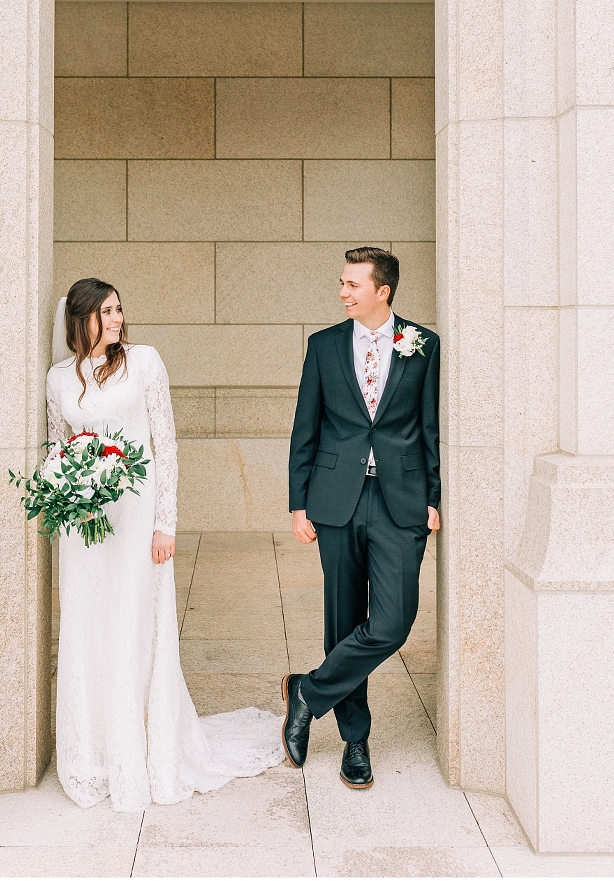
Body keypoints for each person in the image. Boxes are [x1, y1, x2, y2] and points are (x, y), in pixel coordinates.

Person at [46, 277, 283, 811]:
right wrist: (64, 492)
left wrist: (165, 524)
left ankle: (146, 752)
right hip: (83, 528)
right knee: (88, 626)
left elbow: (165, 444)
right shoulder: (59, 379)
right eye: (105, 312)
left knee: (135, 624)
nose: (117, 321)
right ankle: (94, 755)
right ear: (80, 319)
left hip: (135, 519)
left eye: (119, 310)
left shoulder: (146, 363)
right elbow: (57, 448)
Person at [281, 247, 440, 789]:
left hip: (401, 500)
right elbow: (306, 426)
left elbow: (429, 426)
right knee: (343, 618)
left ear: (383, 291)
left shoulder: (420, 343)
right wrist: (298, 503)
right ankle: (356, 740)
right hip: (335, 498)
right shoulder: (324, 346)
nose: (343, 292)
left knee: (392, 623)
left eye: (353, 284)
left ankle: (308, 691)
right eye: (342, 283)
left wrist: (433, 497)